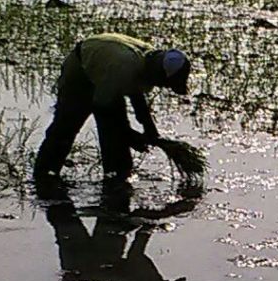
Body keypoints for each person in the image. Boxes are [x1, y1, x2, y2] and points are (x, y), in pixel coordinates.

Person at [33, 33, 191, 182]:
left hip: (107, 72)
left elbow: (136, 93)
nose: (163, 86)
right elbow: (101, 105)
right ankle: (44, 176)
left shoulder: (148, 60)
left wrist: (150, 130)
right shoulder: (124, 66)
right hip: (81, 72)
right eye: (165, 83)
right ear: (160, 74)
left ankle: (116, 178)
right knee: (66, 127)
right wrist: (131, 136)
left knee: (116, 140)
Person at [45, 182, 196, 281]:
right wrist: (147, 223)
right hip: (96, 269)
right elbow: (137, 252)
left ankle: (48, 183)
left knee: (65, 216)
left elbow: (136, 253)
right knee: (112, 211)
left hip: (83, 271)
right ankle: (113, 186)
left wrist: (151, 223)